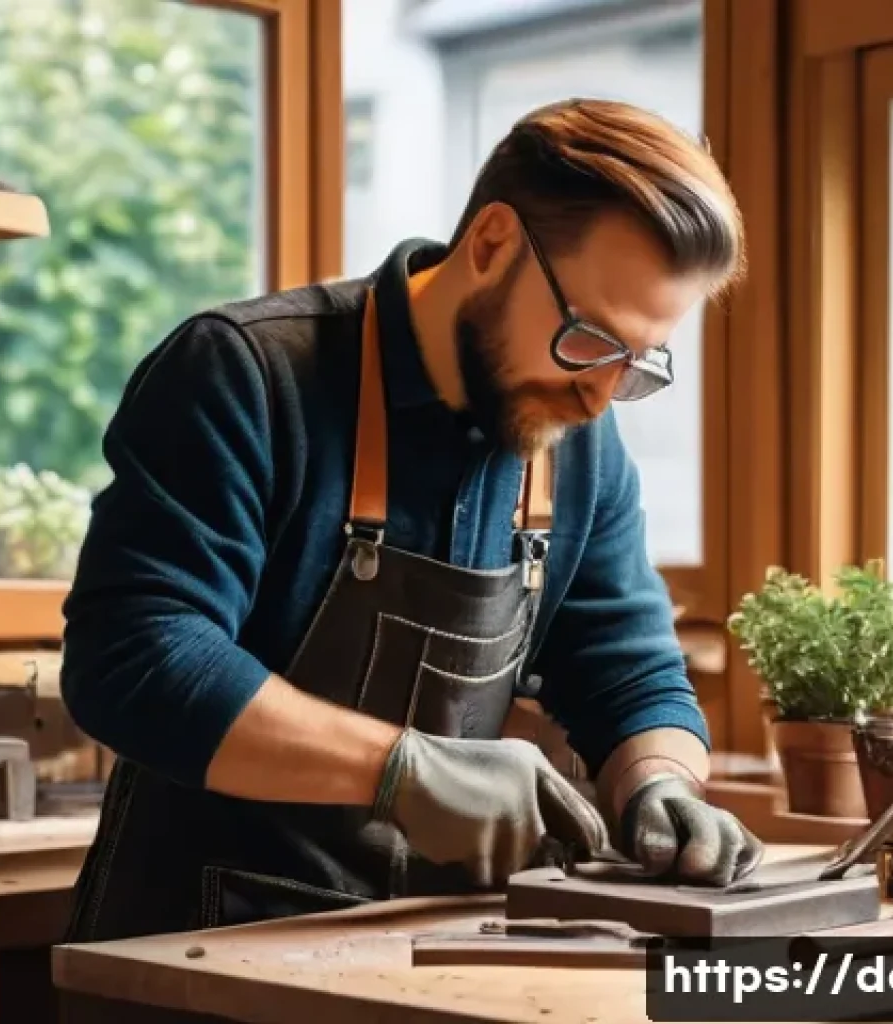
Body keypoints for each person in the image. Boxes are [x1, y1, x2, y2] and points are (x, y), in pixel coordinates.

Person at [60, 98, 762, 943]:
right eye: (586, 337)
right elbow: (137, 659)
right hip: (194, 942)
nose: (601, 392)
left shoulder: (578, 441)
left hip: (428, 943)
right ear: (493, 243)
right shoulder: (245, 376)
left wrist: (664, 785)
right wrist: (403, 771)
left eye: (637, 360)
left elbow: (628, 673)